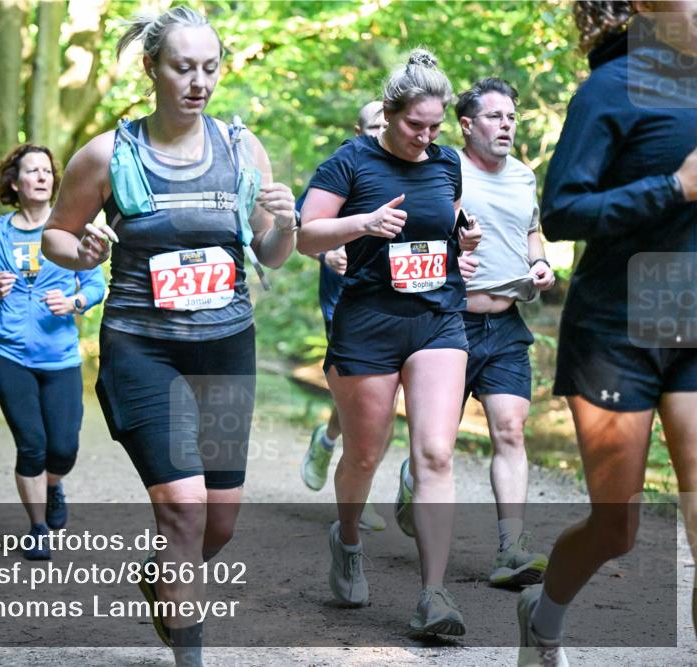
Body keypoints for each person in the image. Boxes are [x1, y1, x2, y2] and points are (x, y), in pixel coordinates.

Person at [42, 7, 296, 665]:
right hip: (141, 348)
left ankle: (162, 572)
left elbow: (268, 253)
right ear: (152, 67)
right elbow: (57, 234)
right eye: (184, 67)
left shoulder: (243, 149)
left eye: (210, 67)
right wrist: (84, 252)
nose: (198, 81)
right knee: (183, 509)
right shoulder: (108, 153)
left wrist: (287, 225)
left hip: (225, 347)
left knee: (218, 522)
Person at [516, 3, 696, 665]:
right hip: (616, 330)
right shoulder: (611, 88)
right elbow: (562, 209)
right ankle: (541, 618)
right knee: (617, 527)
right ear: (648, 6)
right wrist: (673, 188)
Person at [297, 49, 481, 635]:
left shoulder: (447, 162)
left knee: (434, 454)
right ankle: (347, 540)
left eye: (434, 127)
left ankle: (434, 594)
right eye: (413, 125)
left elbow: (444, 223)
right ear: (390, 113)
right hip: (368, 323)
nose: (424, 137)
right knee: (365, 455)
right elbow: (305, 235)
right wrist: (363, 223)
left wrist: (463, 244)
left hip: (437, 318)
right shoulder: (349, 164)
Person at [397, 77, 555, 588]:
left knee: (510, 429)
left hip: (506, 321)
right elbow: (413, 228)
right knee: (436, 446)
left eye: (511, 116)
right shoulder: (443, 169)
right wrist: (447, 259)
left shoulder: (524, 177)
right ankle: (414, 477)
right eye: (494, 116)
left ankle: (511, 548)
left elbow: (531, 231)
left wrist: (540, 262)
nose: (506, 124)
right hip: (449, 320)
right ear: (466, 125)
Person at [0, 143, 105, 560]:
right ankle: (36, 528)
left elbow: (95, 284)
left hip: (61, 354)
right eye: (33, 171)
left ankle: (53, 486)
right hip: (11, 352)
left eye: (48, 171)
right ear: (15, 182)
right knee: (31, 444)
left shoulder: (71, 228)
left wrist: (75, 304)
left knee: (63, 447)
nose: (43, 177)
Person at [301, 100, 389, 534]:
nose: (383, 131)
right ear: (358, 129)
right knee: (365, 404)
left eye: (389, 123)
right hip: (346, 305)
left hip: (394, 308)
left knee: (381, 406)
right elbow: (308, 226)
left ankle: (336, 448)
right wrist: (330, 249)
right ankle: (333, 446)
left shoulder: (412, 165)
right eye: (375, 125)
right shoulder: (342, 167)